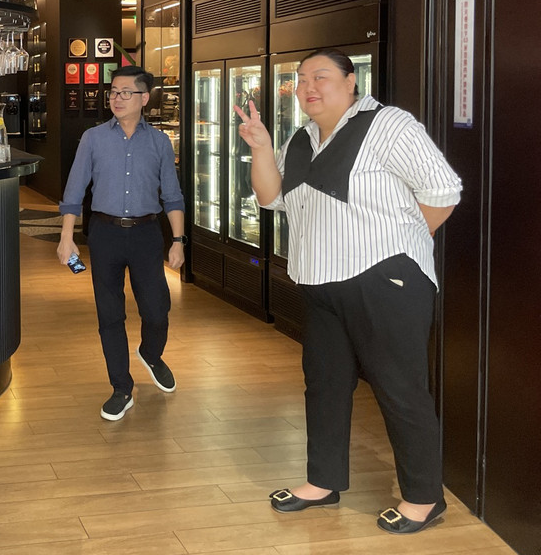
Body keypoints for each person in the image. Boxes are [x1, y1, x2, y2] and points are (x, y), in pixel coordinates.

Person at [233, 48, 462, 535]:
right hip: (319, 282)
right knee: (324, 385)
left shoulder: (388, 125)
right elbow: (271, 198)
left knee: (400, 390)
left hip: (385, 281)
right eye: (301, 80)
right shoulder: (301, 138)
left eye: (321, 77)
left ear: (351, 81)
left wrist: (400, 249)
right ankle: (323, 481)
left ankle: (423, 498)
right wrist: (261, 147)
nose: (308, 87)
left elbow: (443, 191)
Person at [56, 66, 186, 422]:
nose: (117, 98)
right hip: (105, 233)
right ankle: (121, 387)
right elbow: (74, 191)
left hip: (146, 234)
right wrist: (67, 237)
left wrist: (178, 241)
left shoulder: (159, 142)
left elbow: (173, 196)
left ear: (144, 98)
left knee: (157, 310)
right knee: (109, 314)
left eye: (126, 92)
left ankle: (151, 354)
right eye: (113, 91)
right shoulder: (93, 138)